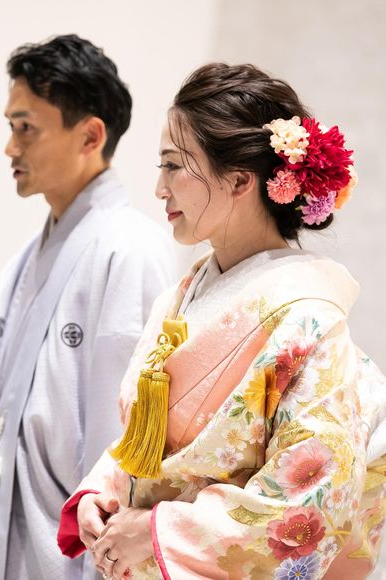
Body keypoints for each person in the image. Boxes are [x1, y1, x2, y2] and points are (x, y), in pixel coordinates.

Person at [58, 63, 386, 579]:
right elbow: (143, 441)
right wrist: (102, 492)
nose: (159, 188)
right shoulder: (181, 296)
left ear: (238, 180)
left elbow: (310, 504)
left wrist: (157, 530)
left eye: (173, 166)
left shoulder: (308, 317)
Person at [0, 34, 175, 580]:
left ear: (90, 135)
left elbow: (125, 436)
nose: (10, 147)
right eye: (10, 126)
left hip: (66, 549)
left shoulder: (130, 251)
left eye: (26, 127)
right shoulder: (28, 257)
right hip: (3, 537)